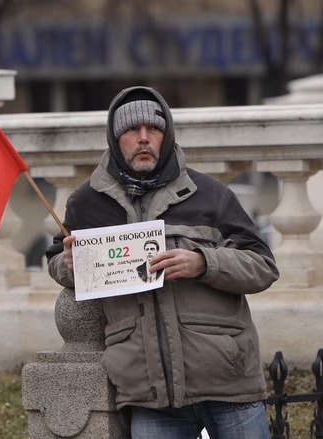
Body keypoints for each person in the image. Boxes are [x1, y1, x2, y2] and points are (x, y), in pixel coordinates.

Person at [46, 85, 279, 439]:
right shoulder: (86, 203)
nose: (143, 139)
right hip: (150, 396)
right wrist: (69, 267)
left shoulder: (211, 194)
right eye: (131, 131)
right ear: (115, 138)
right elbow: (57, 261)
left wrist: (204, 263)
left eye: (153, 129)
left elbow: (263, 266)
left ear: (166, 135)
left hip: (229, 384)